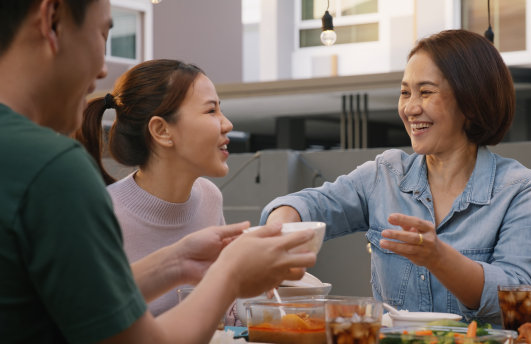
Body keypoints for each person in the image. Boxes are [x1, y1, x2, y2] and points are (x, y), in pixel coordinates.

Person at [0, 0, 316, 343]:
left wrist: (177, 262)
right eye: (102, 33)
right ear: (52, 20)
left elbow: (64, 306)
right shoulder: (54, 171)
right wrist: (230, 273)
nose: (104, 69)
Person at [261, 29, 531, 325]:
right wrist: (281, 230)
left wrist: (439, 257)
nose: (410, 108)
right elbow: (311, 204)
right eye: (404, 92)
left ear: (471, 103)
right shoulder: (384, 175)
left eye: (425, 92)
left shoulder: (521, 189)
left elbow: (516, 299)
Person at [75, 59, 239, 321]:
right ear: (161, 130)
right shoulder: (102, 216)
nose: (227, 124)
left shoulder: (210, 196)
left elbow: (227, 315)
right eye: (211, 111)